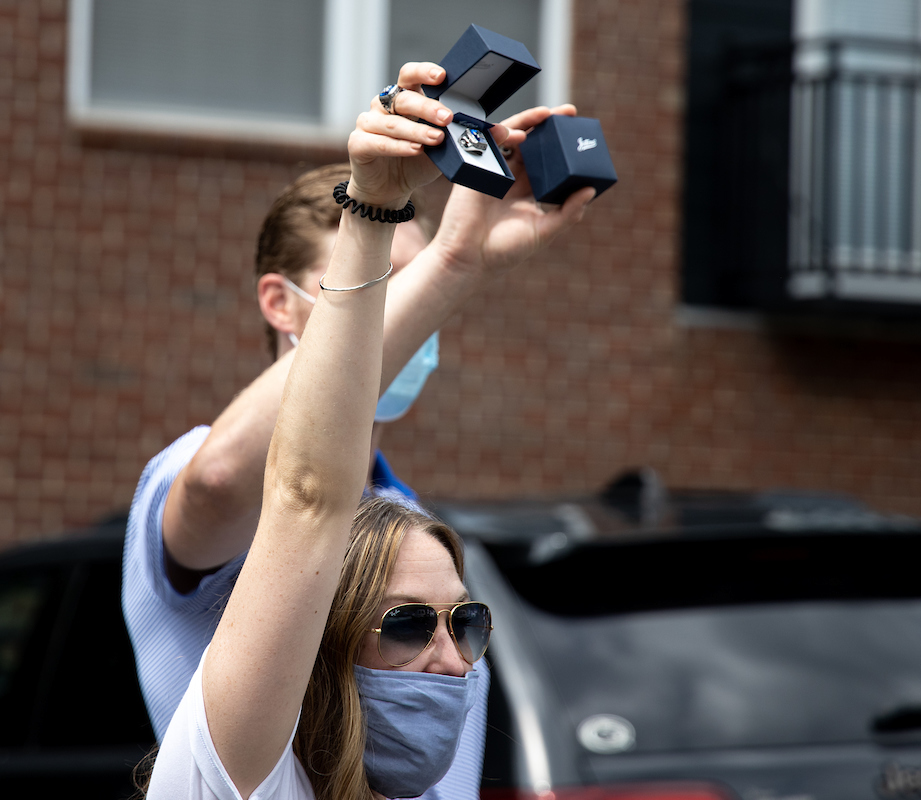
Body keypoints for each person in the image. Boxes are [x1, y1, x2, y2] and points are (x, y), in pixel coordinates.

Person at [128, 60, 594, 800]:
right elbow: (280, 490)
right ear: (281, 305)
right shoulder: (192, 473)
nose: (446, 653)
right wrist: (435, 256)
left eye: (465, 625)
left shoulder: (410, 526)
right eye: (385, 283)